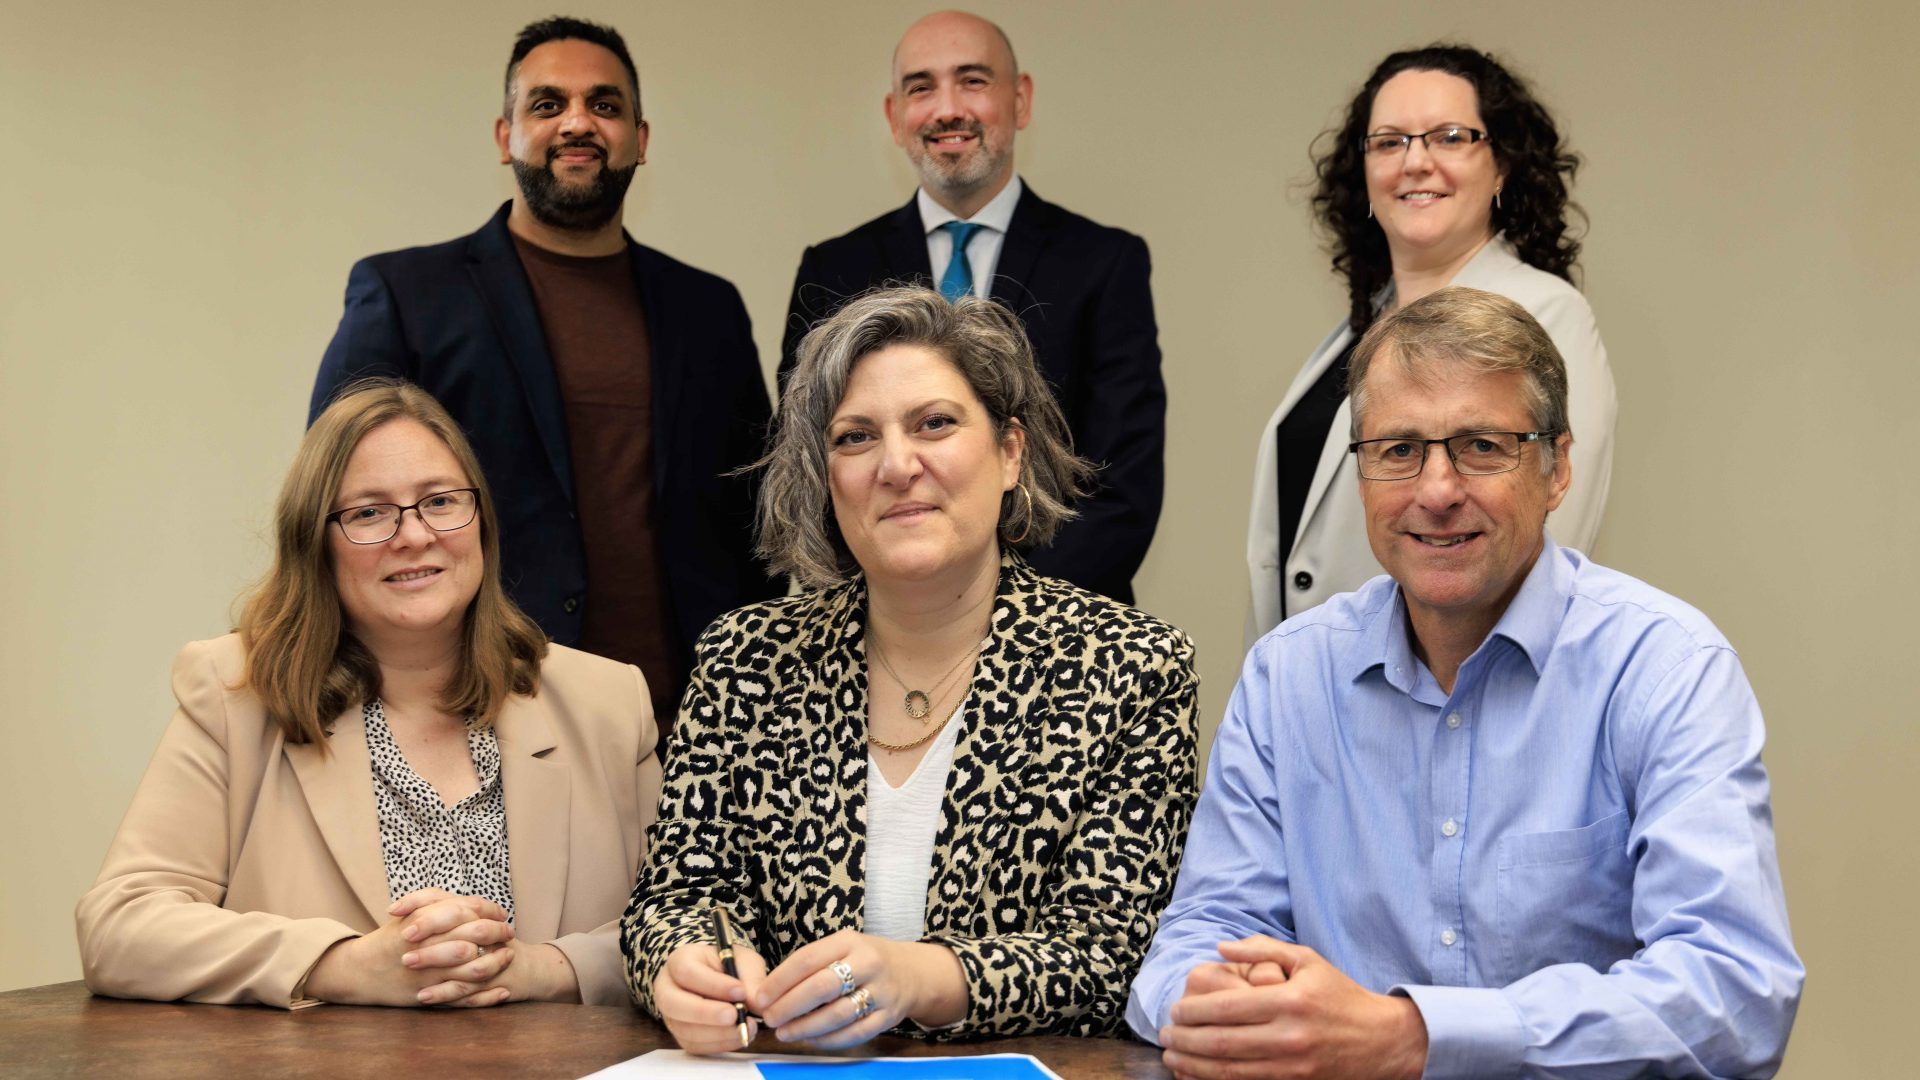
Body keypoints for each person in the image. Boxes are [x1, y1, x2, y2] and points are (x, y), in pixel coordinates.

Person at [1127, 288, 1802, 1079]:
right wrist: (1220, 1010)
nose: (1437, 490)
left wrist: (1412, 1037)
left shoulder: (1664, 669)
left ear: (1558, 469)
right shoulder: (1288, 675)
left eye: (1482, 445)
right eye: (1399, 449)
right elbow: (1203, 931)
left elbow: (1735, 992)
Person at [624, 286, 1197, 1053]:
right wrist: (682, 967)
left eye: (935, 423)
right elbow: (678, 896)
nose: (897, 465)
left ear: (1010, 452)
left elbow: (1107, 957)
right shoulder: (744, 661)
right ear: (826, 479)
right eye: (856, 437)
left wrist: (918, 978)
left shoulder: (1133, 669)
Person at [77, 382, 660, 1008]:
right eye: (369, 513)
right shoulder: (237, 694)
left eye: (439, 501)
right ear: (315, 543)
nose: (413, 535)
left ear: (481, 523)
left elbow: (709, 922)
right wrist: (343, 964)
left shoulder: (607, 702)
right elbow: (120, 925)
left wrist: (542, 970)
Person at [311, 16, 777, 725]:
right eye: (547, 104)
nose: (578, 123)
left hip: (695, 722)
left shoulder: (709, 309)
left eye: (606, 105)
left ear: (640, 141)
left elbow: (759, 518)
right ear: (505, 138)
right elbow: (342, 505)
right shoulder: (407, 295)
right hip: (482, 703)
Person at [781, 10, 1164, 604]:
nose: (947, 109)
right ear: (894, 115)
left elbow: (1123, 484)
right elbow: (811, 465)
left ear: (1020, 100)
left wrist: (1008, 621)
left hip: (1064, 633)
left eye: (973, 81)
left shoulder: (1104, 263)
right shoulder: (832, 270)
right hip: (878, 631)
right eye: (921, 87)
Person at [1249, 44, 1617, 638]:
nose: (1415, 162)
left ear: (1500, 167)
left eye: (1449, 136)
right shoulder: (1360, 328)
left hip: (1443, 700)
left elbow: (1540, 545)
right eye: (1390, 141)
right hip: (1316, 686)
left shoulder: (1545, 314)